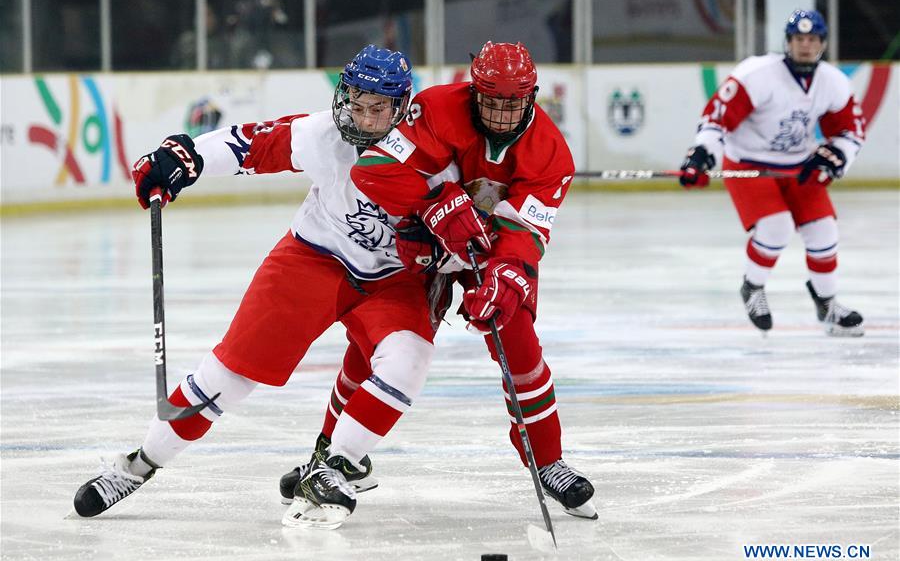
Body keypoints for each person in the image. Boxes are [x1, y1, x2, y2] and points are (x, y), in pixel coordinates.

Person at [72, 45, 438, 529]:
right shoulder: (324, 134)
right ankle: (139, 465)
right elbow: (250, 145)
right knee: (229, 375)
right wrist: (185, 158)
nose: (364, 118)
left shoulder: (436, 150)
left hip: (395, 281)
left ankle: (335, 465)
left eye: (378, 108)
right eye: (357, 103)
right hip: (313, 260)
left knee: (408, 361)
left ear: (402, 106)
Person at [328, 41, 598, 520]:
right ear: (474, 90)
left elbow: (526, 233)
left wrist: (508, 275)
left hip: (488, 253)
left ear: (532, 96)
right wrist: (437, 201)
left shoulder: (552, 154)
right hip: (420, 244)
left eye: (511, 103)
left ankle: (549, 461)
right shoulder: (434, 106)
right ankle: (327, 456)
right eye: (490, 100)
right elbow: (375, 170)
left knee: (519, 345)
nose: (499, 113)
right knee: (379, 346)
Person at [679, 9, 865, 337]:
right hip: (749, 165)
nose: (805, 46)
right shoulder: (758, 74)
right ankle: (753, 287)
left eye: (812, 39)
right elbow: (716, 117)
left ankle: (827, 303)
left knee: (825, 232)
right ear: (787, 42)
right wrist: (703, 152)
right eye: (798, 39)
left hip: (798, 167)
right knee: (776, 227)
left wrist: (837, 154)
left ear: (822, 43)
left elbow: (850, 130)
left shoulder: (833, 82)